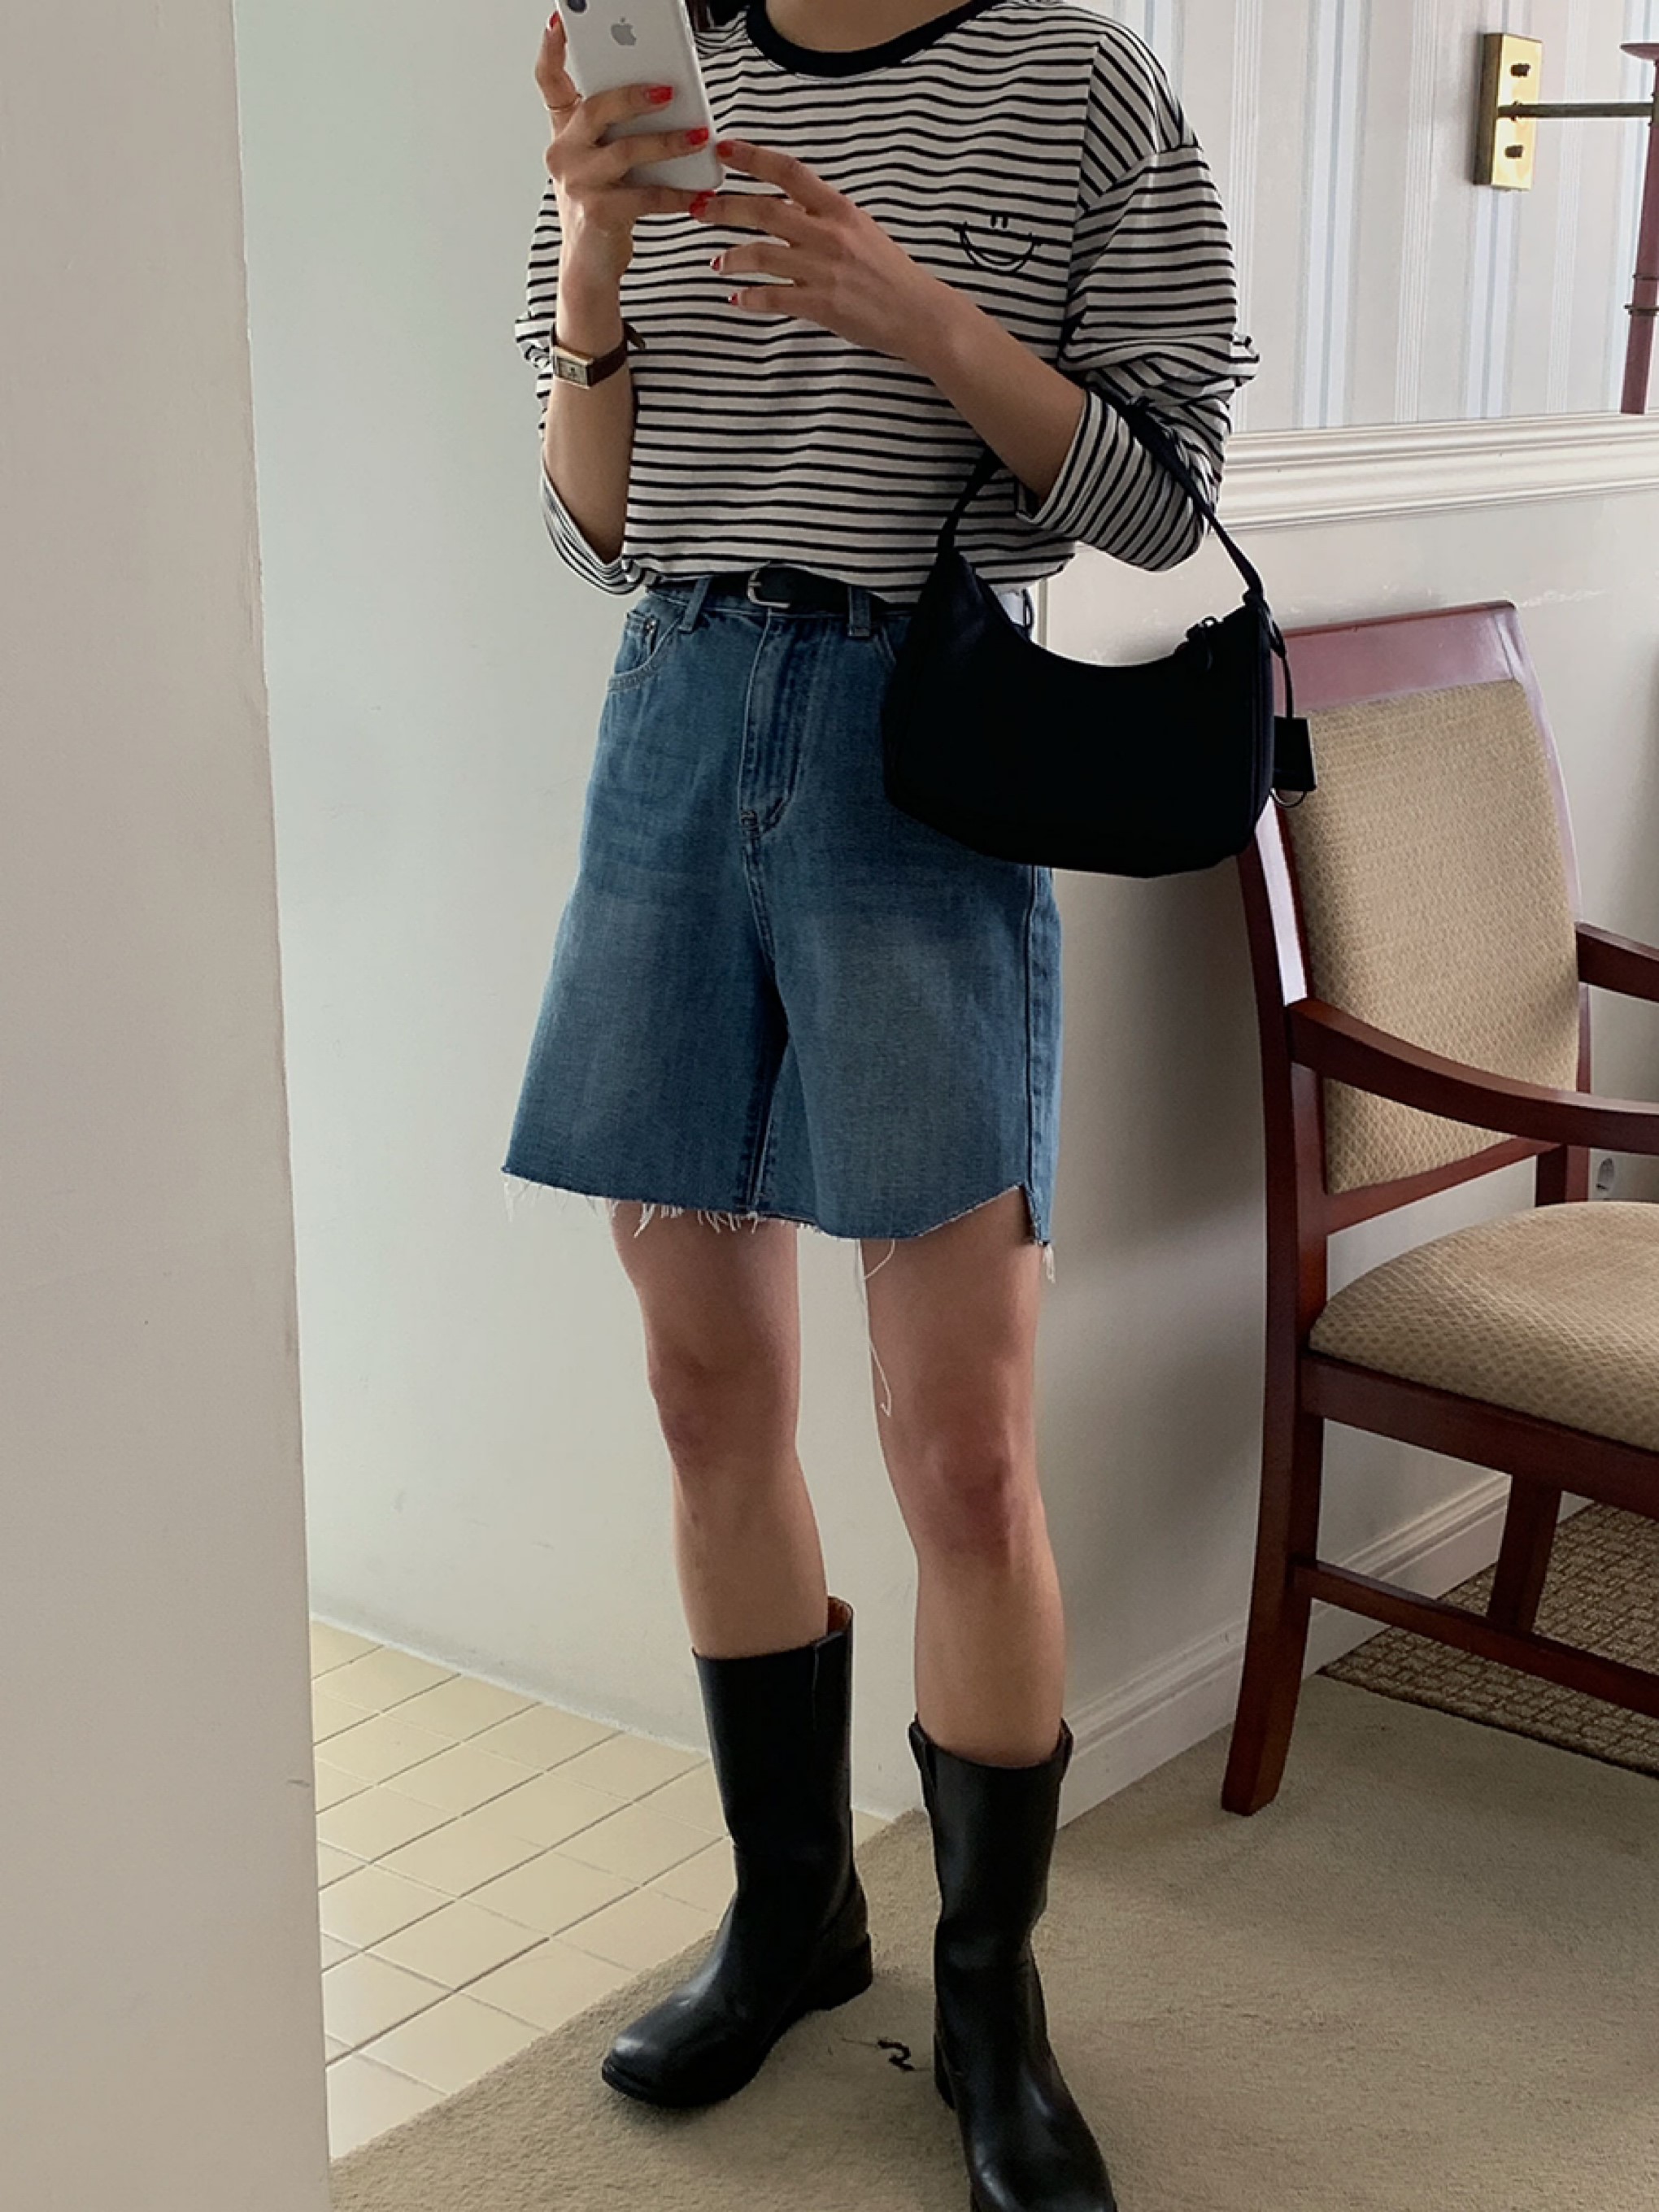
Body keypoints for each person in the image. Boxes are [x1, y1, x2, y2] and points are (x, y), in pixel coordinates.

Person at [504, 3, 1258, 2204]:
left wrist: (910, 308)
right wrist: (588, 260)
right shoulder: (666, 70)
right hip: (671, 733)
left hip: (920, 757)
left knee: (964, 1446)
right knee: (702, 1396)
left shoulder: (1081, 84)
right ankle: (792, 1914)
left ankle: (991, 1999)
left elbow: (1163, 501)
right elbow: (592, 525)